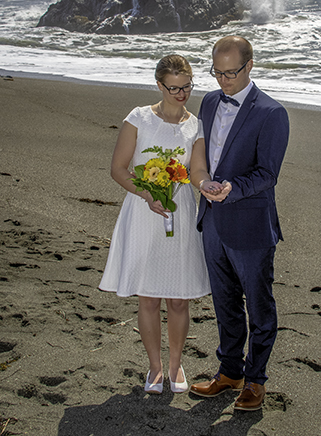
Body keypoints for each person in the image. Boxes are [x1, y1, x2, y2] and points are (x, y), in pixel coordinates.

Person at [99, 54, 210, 395]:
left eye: (187, 86)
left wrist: (206, 186)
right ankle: (155, 367)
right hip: (143, 212)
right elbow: (119, 169)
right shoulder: (139, 118)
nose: (181, 94)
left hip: (180, 213)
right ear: (159, 85)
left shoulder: (196, 124)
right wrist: (147, 194)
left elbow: (197, 171)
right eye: (174, 88)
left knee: (178, 299)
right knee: (147, 298)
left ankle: (176, 365)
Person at [190, 36, 289, 411]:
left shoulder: (272, 112)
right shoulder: (210, 101)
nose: (223, 81)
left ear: (250, 66)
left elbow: (268, 173)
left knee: (259, 307)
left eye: (231, 73)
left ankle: (255, 381)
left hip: (250, 225)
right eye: (217, 72)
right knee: (224, 302)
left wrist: (232, 188)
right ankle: (229, 372)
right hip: (211, 220)